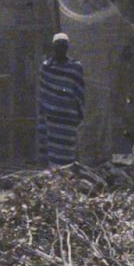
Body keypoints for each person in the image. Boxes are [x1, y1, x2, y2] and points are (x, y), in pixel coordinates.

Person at [36, 32, 85, 168]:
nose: (60, 49)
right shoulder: (46, 68)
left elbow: (79, 92)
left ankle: (67, 180)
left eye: (63, 46)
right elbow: (43, 94)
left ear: (67, 48)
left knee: (67, 153)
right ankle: (55, 181)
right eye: (57, 46)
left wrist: (79, 114)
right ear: (53, 47)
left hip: (68, 120)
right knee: (52, 153)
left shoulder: (75, 68)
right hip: (51, 120)